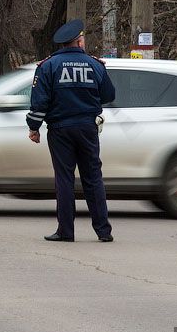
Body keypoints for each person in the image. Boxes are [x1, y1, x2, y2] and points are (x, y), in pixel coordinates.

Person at [27, 19, 115, 243]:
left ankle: (66, 231)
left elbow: (40, 102)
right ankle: (103, 231)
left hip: (60, 130)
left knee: (65, 179)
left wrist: (34, 127)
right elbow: (108, 96)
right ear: (79, 41)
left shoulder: (48, 66)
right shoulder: (95, 65)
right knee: (93, 178)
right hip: (88, 128)